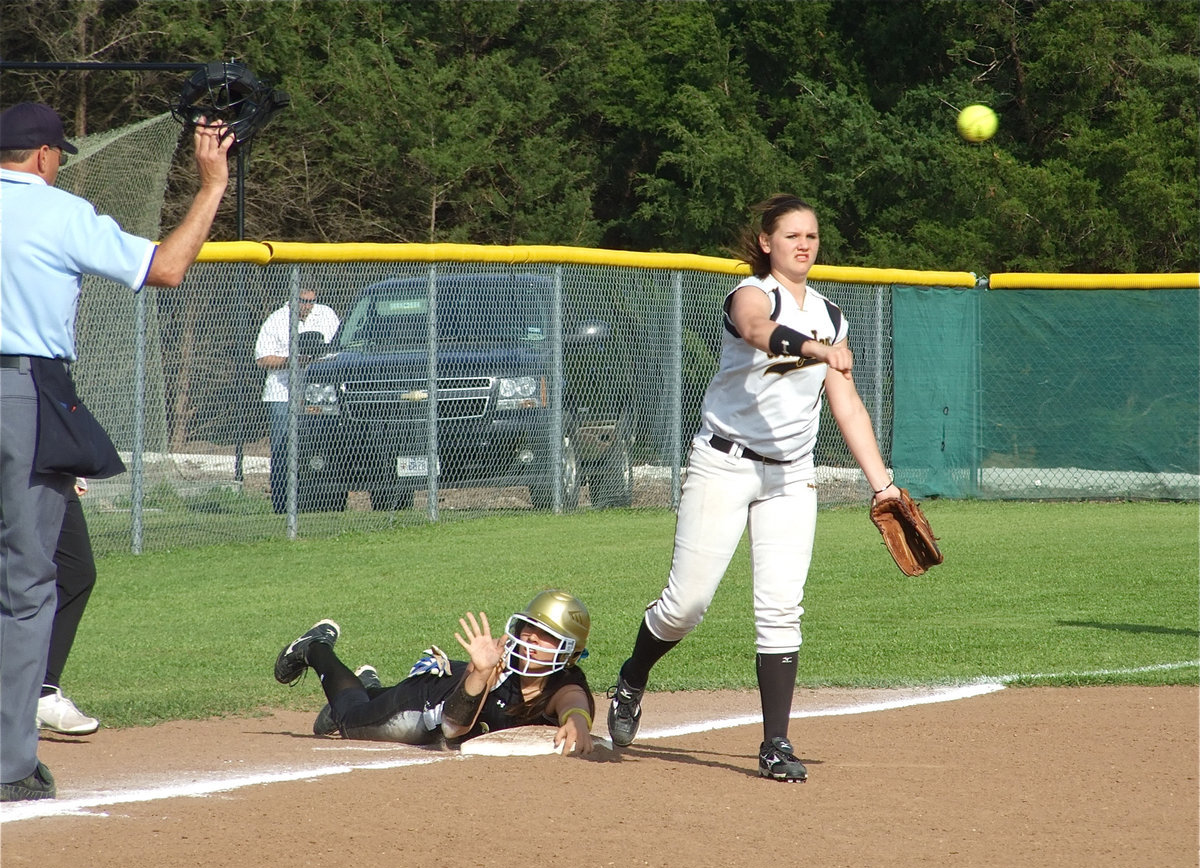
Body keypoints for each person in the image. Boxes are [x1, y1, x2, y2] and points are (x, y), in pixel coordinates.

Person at [605, 194, 901, 782]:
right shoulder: (752, 294)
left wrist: (883, 485)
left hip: (791, 474)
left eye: (812, 236)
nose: (803, 245)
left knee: (781, 608)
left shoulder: (832, 314)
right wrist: (817, 350)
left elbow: (845, 404)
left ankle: (775, 743)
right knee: (684, 607)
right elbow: (758, 331)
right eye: (791, 235)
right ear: (766, 242)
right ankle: (633, 677)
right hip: (724, 466)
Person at [0, 101, 234, 802]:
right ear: (43, 155)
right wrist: (212, 185)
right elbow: (164, 268)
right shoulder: (57, 211)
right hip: (21, 393)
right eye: (59, 153)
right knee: (26, 585)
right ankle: (9, 764)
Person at [274, 590, 596, 756]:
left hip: (447, 690)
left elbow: (574, 703)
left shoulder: (563, 684)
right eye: (530, 628)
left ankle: (369, 687)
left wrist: (577, 721)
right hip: (425, 704)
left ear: (570, 652)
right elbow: (454, 727)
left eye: (548, 636)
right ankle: (315, 648)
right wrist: (481, 673)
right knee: (350, 721)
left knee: (367, 701)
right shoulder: (495, 662)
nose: (530, 638)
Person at [253, 288, 339, 512]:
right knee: (283, 449)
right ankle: (283, 506)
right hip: (283, 395)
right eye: (303, 301)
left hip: (319, 394)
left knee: (324, 447)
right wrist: (291, 361)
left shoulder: (326, 315)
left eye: (312, 302)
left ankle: (325, 504)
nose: (308, 307)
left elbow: (339, 348)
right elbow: (262, 359)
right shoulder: (277, 320)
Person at [38, 479, 101, 736]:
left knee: (76, 574)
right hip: (13, 463)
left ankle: (41, 692)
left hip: (52, 468)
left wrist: (73, 466)